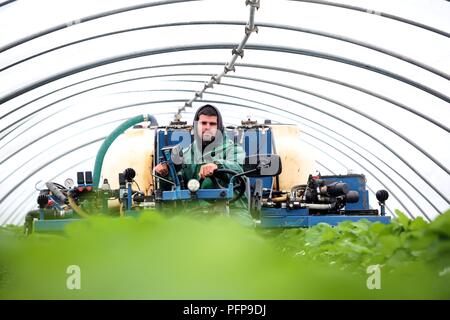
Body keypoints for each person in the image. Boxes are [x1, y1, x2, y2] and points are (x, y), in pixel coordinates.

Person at [154, 104, 253, 227]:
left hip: (232, 209)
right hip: (194, 212)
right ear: (196, 126)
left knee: (243, 234)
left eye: (212, 124)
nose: (207, 127)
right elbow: (174, 185)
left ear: (219, 127)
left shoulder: (234, 150)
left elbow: (239, 168)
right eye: (203, 123)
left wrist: (217, 165)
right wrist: (165, 174)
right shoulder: (185, 155)